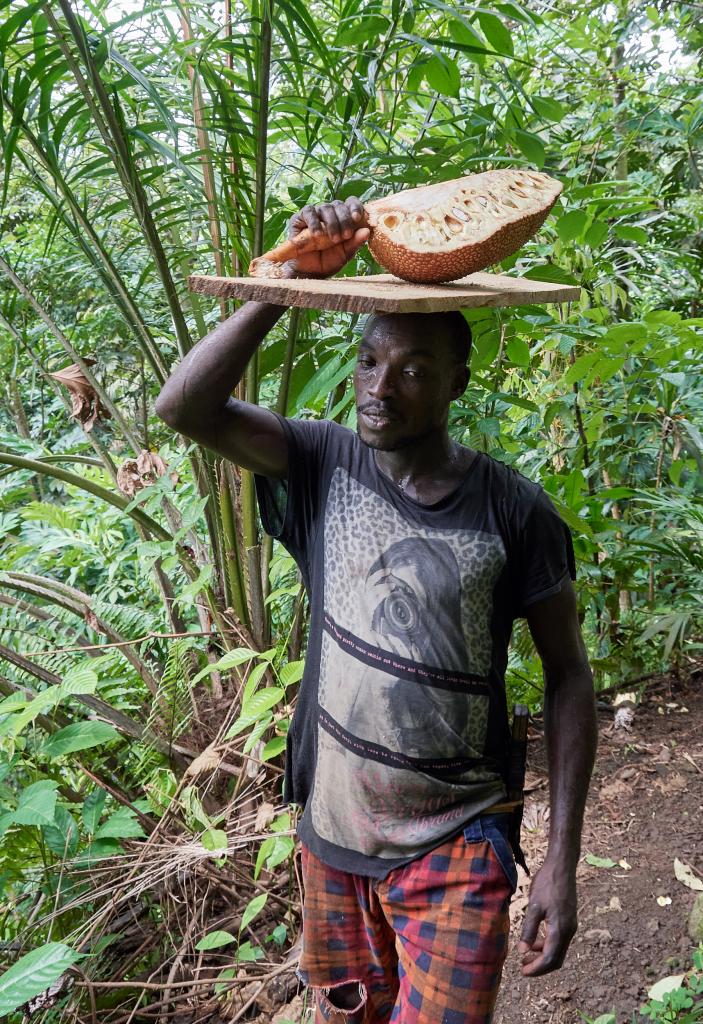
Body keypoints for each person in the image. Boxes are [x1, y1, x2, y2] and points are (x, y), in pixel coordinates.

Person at [155, 196, 597, 1024]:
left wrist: (560, 864)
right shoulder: (320, 463)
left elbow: (570, 679)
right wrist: (284, 281)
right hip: (333, 843)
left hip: (457, 843)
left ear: (457, 384)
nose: (378, 388)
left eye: (414, 370)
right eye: (366, 362)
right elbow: (183, 408)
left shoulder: (513, 510)